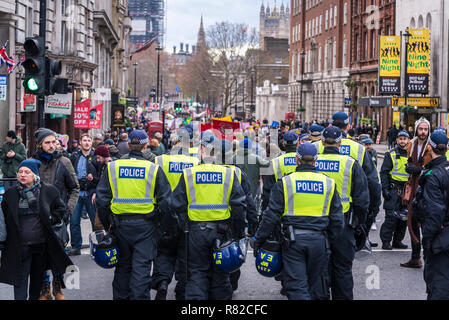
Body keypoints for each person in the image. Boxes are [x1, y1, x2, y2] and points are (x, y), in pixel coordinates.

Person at [254, 142, 344, 300]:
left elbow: (271, 216)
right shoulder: (328, 183)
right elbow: (337, 219)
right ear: (316, 160)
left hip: (293, 242)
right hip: (319, 241)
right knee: (318, 288)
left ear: (297, 159)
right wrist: (331, 243)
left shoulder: (285, 183)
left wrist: (259, 240)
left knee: (297, 287)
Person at [95, 129, 172, 300]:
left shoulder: (113, 167)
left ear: (128, 145)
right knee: (141, 269)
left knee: (123, 267)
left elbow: (102, 200)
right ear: (145, 146)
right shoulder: (153, 169)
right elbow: (166, 202)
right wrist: (163, 226)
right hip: (146, 226)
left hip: (120, 226)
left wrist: (109, 223)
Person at [171, 136, 247, 300]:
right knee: (220, 275)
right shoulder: (228, 174)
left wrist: (186, 225)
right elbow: (239, 207)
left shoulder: (188, 174)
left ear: (203, 151)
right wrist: (237, 232)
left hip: (195, 232)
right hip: (222, 232)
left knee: (197, 273)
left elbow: (176, 204)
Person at [0, 159, 73, 300]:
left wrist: (52, 219)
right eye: (20, 172)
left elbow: (61, 209)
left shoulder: (48, 190)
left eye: (27, 172)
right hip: (19, 248)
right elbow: (3, 219)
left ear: (34, 175)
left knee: (36, 285)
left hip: (41, 247)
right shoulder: (10, 194)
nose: (22, 175)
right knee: (19, 287)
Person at [315, 127, 369, 300]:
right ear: (340, 142)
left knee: (319, 270)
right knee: (343, 270)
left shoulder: (311, 163)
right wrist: (360, 223)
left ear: (322, 142)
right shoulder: (350, 163)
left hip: (317, 225)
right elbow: (362, 199)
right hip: (343, 225)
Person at [315, 113, 381, 252]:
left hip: (315, 214)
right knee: (342, 265)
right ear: (348, 126)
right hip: (345, 213)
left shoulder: (314, 147)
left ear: (331, 125)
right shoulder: (359, 149)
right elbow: (372, 183)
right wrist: (370, 213)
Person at [32, 128, 79, 300]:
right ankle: (45, 287)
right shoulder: (32, 162)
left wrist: (68, 211)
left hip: (59, 216)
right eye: (47, 143)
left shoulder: (64, 161)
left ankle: (57, 285)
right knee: (41, 252)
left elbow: (74, 188)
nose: (52, 146)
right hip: (38, 217)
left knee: (60, 251)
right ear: (40, 145)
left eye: (54, 142)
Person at [151, 143, 200, 300]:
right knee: (184, 253)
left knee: (164, 251)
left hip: (164, 214)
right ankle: (182, 288)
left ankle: (163, 282)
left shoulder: (160, 161)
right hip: (186, 215)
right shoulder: (195, 163)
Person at [413, 131, 449, 299]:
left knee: (438, 286)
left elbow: (434, 212)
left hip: (441, 238)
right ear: (447, 148)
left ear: (429, 147)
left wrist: (427, 241)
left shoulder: (433, 175)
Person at [401, 117, 432, 268]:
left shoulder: (431, 147)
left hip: (427, 187)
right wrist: (409, 167)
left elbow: (436, 168)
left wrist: (420, 170)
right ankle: (415, 257)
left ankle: (429, 258)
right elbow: (408, 161)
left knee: (425, 222)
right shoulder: (411, 145)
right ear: (416, 129)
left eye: (426, 129)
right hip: (413, 186)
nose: (423, 132)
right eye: (421, 129)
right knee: (411, 221)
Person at [69, 133, 98, 256]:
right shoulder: (74, 156)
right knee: (74, 221)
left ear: (92, 142)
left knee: (95, 223)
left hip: (91, 194)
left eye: (89, 140)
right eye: (84, 140)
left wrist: (94, 183)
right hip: (77, 194)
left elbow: (102, 176)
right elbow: (69, 173)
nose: (86, 142)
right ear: (80, 142)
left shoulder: (96, 157)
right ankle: (76, 247)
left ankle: (97, 247)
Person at [262, 131, 300, 213]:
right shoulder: (303, 160)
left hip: (280, 207)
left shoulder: (275, 162)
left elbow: (267, 190)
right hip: (299, 207)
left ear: (283, 144)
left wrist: (265, 212)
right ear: (298, 144)